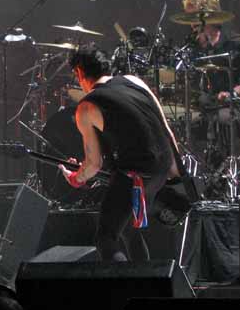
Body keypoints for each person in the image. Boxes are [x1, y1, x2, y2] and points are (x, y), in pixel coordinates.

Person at [58, 44, 179, 262]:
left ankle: (124, 281)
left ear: (79, 72)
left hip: (135, 174)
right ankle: (147, 278)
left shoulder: (86, 107)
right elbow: (166, 130)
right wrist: (178, 173)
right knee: (128, 227)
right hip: (161, 167)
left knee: (106, 237)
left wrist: (76, 178)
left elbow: (93, 165)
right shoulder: (135, 81)